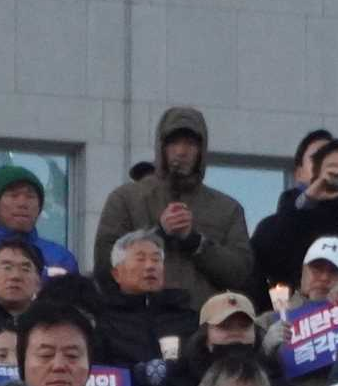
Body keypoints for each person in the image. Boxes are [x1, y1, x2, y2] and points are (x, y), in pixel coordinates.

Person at [89, 108, 252, 303]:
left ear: (202, 151)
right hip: (139, 323)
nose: (181, 152)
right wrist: (158, 235)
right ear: (161, 147)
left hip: (201, 325)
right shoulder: (126, 199)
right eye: (174, 143)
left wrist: (196, 242)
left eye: (190, 144)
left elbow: (240, 274)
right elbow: (105, 265)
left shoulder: (227, 209)